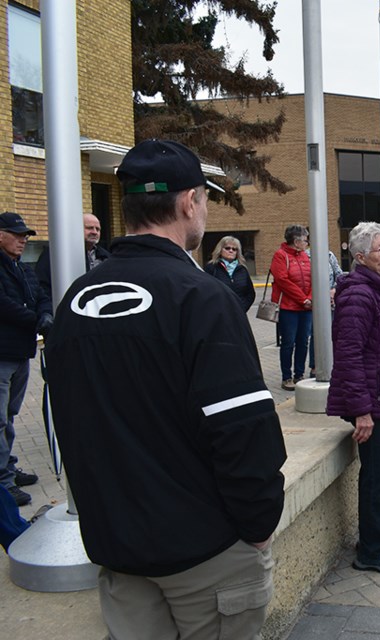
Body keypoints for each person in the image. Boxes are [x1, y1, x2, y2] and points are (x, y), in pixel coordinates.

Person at [46, 140, 286, 637]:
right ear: (188, 203)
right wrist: (259, 527)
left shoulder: (74, 301)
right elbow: (244, 432)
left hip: (119, 548)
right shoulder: (201, 298)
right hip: (206, 553)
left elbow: (64, 424)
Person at [327, 221, 380, 574]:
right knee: (377, 476)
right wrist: (362, 411)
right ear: (360, 256)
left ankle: (378, 534)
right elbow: (348, 354)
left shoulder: (378, 287)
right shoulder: (359, 293)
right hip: (373, 403)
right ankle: (372, 552)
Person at [0, 212, 49, 507]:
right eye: (17, 234)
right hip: (3, 353)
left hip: (20, 353)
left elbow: (40, 294)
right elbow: (5, 306)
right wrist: (36, 319)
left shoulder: (23, 268)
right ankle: (3, 484)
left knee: (9, 416)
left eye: (26, 235)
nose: (23, 240)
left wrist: (45, 312)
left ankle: (8, 467)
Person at [271, 225, 313, 390]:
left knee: (303, 341)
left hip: (306, 308)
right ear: (296, 241)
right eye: (305, 240)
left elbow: (313, 277)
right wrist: (303, 299)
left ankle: (299, 375)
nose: (307, 243)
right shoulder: (280, 256)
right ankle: (286, 376)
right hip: (288, 308)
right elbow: (283, 281)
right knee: (288, 342)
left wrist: (309, 298)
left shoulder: (305, 256)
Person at [35, 213, 111, 299]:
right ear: (76, 228)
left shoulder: (106, 257)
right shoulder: (56, 253)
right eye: (89, 228)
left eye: (97, 229)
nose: (94, 232)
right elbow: (42, 284)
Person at [204, 236, 255, 312]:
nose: (231, 251)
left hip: (239, 314)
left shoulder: (242, 269)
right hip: (219, 315)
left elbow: (250, 294)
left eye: (234, 249)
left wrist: (242, 308)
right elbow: (205, 292)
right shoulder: (211, 268)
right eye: (227, 248)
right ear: (220, 250)